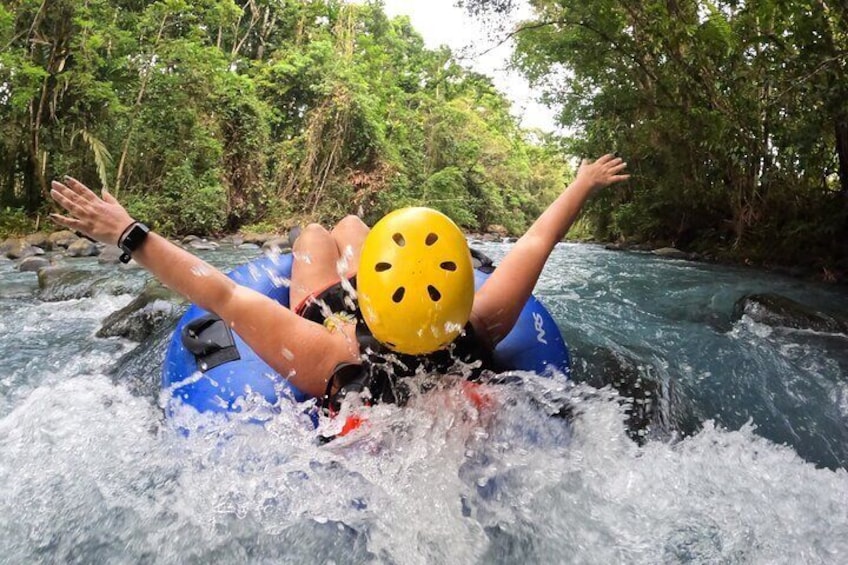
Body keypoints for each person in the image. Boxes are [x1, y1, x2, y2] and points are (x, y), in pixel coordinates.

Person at [49, 154, 629, 411]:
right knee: (354, 227)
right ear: (462, 294)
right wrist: (581, 183)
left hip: (325, 308)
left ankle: (350, 243)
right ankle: (359, 237)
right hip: (387, 317)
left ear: (370, 303)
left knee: (314, 238)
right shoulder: (483, 322)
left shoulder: (328, 356)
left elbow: (222, 295)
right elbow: (534, 245)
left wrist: (128, 233)